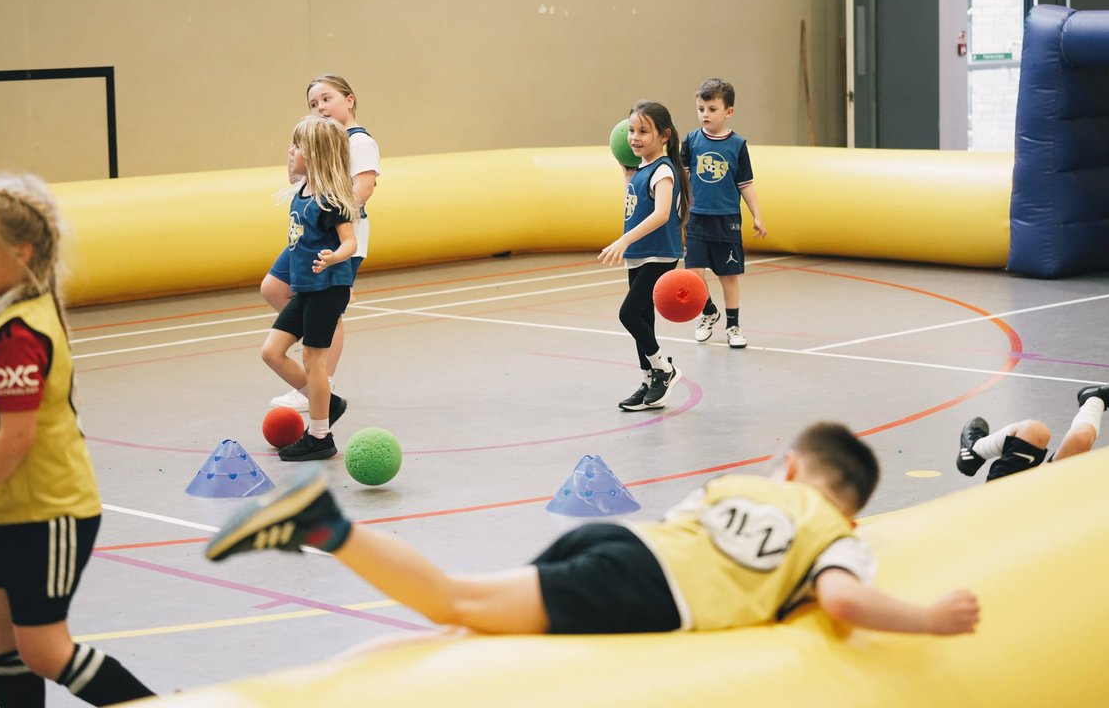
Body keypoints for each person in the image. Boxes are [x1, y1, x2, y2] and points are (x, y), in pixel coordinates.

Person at [205, 421, 979, 637]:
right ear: (849, 506)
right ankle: (325, 525)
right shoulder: (837, 535)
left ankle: (326, 527)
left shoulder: (741, 484)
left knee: (479, 617)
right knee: (456, 603)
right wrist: (931, 620)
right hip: (647, 588)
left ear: (788, 470)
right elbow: (841, 603)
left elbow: (695, 531)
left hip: (629, 544)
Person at [0, 175, 154, 706]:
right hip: (13, 511)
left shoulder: (19, 334)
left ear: (21, 252)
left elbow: (17, 437)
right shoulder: (7, 312)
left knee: (44, 649)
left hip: (48, 512)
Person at [265, 74, 380, 419]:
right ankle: (313, 371)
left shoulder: (359, 142)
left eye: (327, 99)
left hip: (334, 234)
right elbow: (301, 182)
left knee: (329, 308)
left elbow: (363, 188)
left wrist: (329, 208)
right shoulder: (317, 138)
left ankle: (321, 379)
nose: (320, 108)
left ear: (350, 99)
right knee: (273, 287)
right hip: (308, 234)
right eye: (314, 104)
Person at [260, 115, 360, 462]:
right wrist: (295, 167)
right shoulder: (301, 191)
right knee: (272, 352)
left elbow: (349, 242)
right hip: (306, 289)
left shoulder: (331, 200)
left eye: (297, 146)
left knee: (313, 358)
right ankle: (327, 404)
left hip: (328, 287)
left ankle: (320, 436)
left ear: (315, 154)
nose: (290, 151)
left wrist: (335, 257)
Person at [599, 101, 691, 412]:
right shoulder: (641, 169)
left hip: (659, 255)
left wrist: (623, 240)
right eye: (632, 131)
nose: (635, 137)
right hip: (639, 255)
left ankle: (664, 370)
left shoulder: (663, 170)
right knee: (644, 319)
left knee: (628, 314)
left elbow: (662, 214)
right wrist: (627, 176)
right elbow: (634, 205)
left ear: (664, 136)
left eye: (643, 131)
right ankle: (648, 378)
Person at [679, 78, 767, 349]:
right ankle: (707, 311)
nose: (705, 114)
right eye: (701, 109)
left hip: (726, 219)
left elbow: (746, 184)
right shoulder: (691, 141)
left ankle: (732, 325)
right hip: (696, 218)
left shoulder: (737, 145)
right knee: (693, 273)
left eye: (712, 109)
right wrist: (677, 211)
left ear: (728, 112)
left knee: (728, 276)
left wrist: (757, 215)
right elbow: (681, 179)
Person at [957, 383, 1109, 480]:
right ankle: (1094, 399)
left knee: (1033, 431)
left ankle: (976, 449)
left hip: (1001, 500)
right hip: (1043, 498)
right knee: (1079, 439)